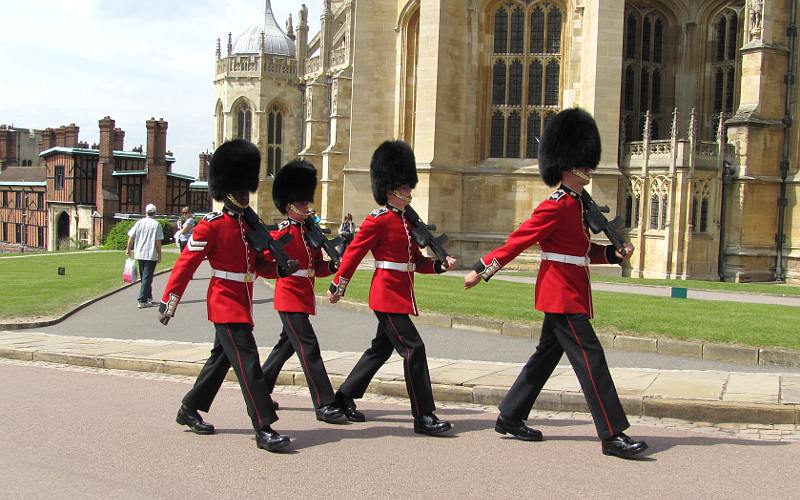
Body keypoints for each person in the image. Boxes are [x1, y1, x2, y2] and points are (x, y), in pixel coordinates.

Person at [463, 108, 648, 459]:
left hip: (570, 289)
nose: (589, 169)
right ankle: (612, 433)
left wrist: (612, 255)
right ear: (569, 164)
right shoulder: (557, 204)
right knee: (591, 359)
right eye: (585, 162)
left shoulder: (577, 205)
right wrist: (485, 267)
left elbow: (580, 250)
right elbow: (520, 238)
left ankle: (511, 415)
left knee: (545, 357)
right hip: (561, 293)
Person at [158, 139, 291, 452]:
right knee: (248, 361)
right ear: (226, 189)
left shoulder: (249, 225)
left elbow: (257, 264)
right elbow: (185, 265)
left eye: (247, 188)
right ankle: (264, 426)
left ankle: (189, 409)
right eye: (240, 188)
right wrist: (170, 300)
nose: (245, 194)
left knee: (220, 360)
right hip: (224, 302)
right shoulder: (211, 227)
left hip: (242, 300)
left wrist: (281, 267)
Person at [327, 140, 458, 436]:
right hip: (386, 296)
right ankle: (423, 416)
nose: (411, 191)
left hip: (399, 294)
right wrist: (339, 284)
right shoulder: (378, 220)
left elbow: (416, 262)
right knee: (415, 349)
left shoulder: (406, 223)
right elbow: (354, 254)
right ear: (391, 190)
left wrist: (440, 265)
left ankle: (343, 398)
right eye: (406, 187)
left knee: (379, 350)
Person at [260, 159, 347, 425]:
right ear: (289, 206)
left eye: (307, 203)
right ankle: (324, 403)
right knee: (309, 347)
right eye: (301, 204)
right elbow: (263, 264)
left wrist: (332, 264)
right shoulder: (281, 234)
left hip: (303, 295)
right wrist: (281, 271)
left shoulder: (311, 233)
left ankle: (259, 392)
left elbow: (315, 268)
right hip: (288, 296)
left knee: (285, 347)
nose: (307, 207)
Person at [126, 203, 163, 308]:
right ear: (155, 213)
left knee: (144, 276)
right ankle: (142, 300)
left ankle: (148, 296)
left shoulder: (139, 223)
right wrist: (159, 253)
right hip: (150, 253)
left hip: (139, 253)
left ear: (146, 212)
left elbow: (131, 236)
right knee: (147, 277)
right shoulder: (156, 224)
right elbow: (157, 241)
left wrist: (128, 248)